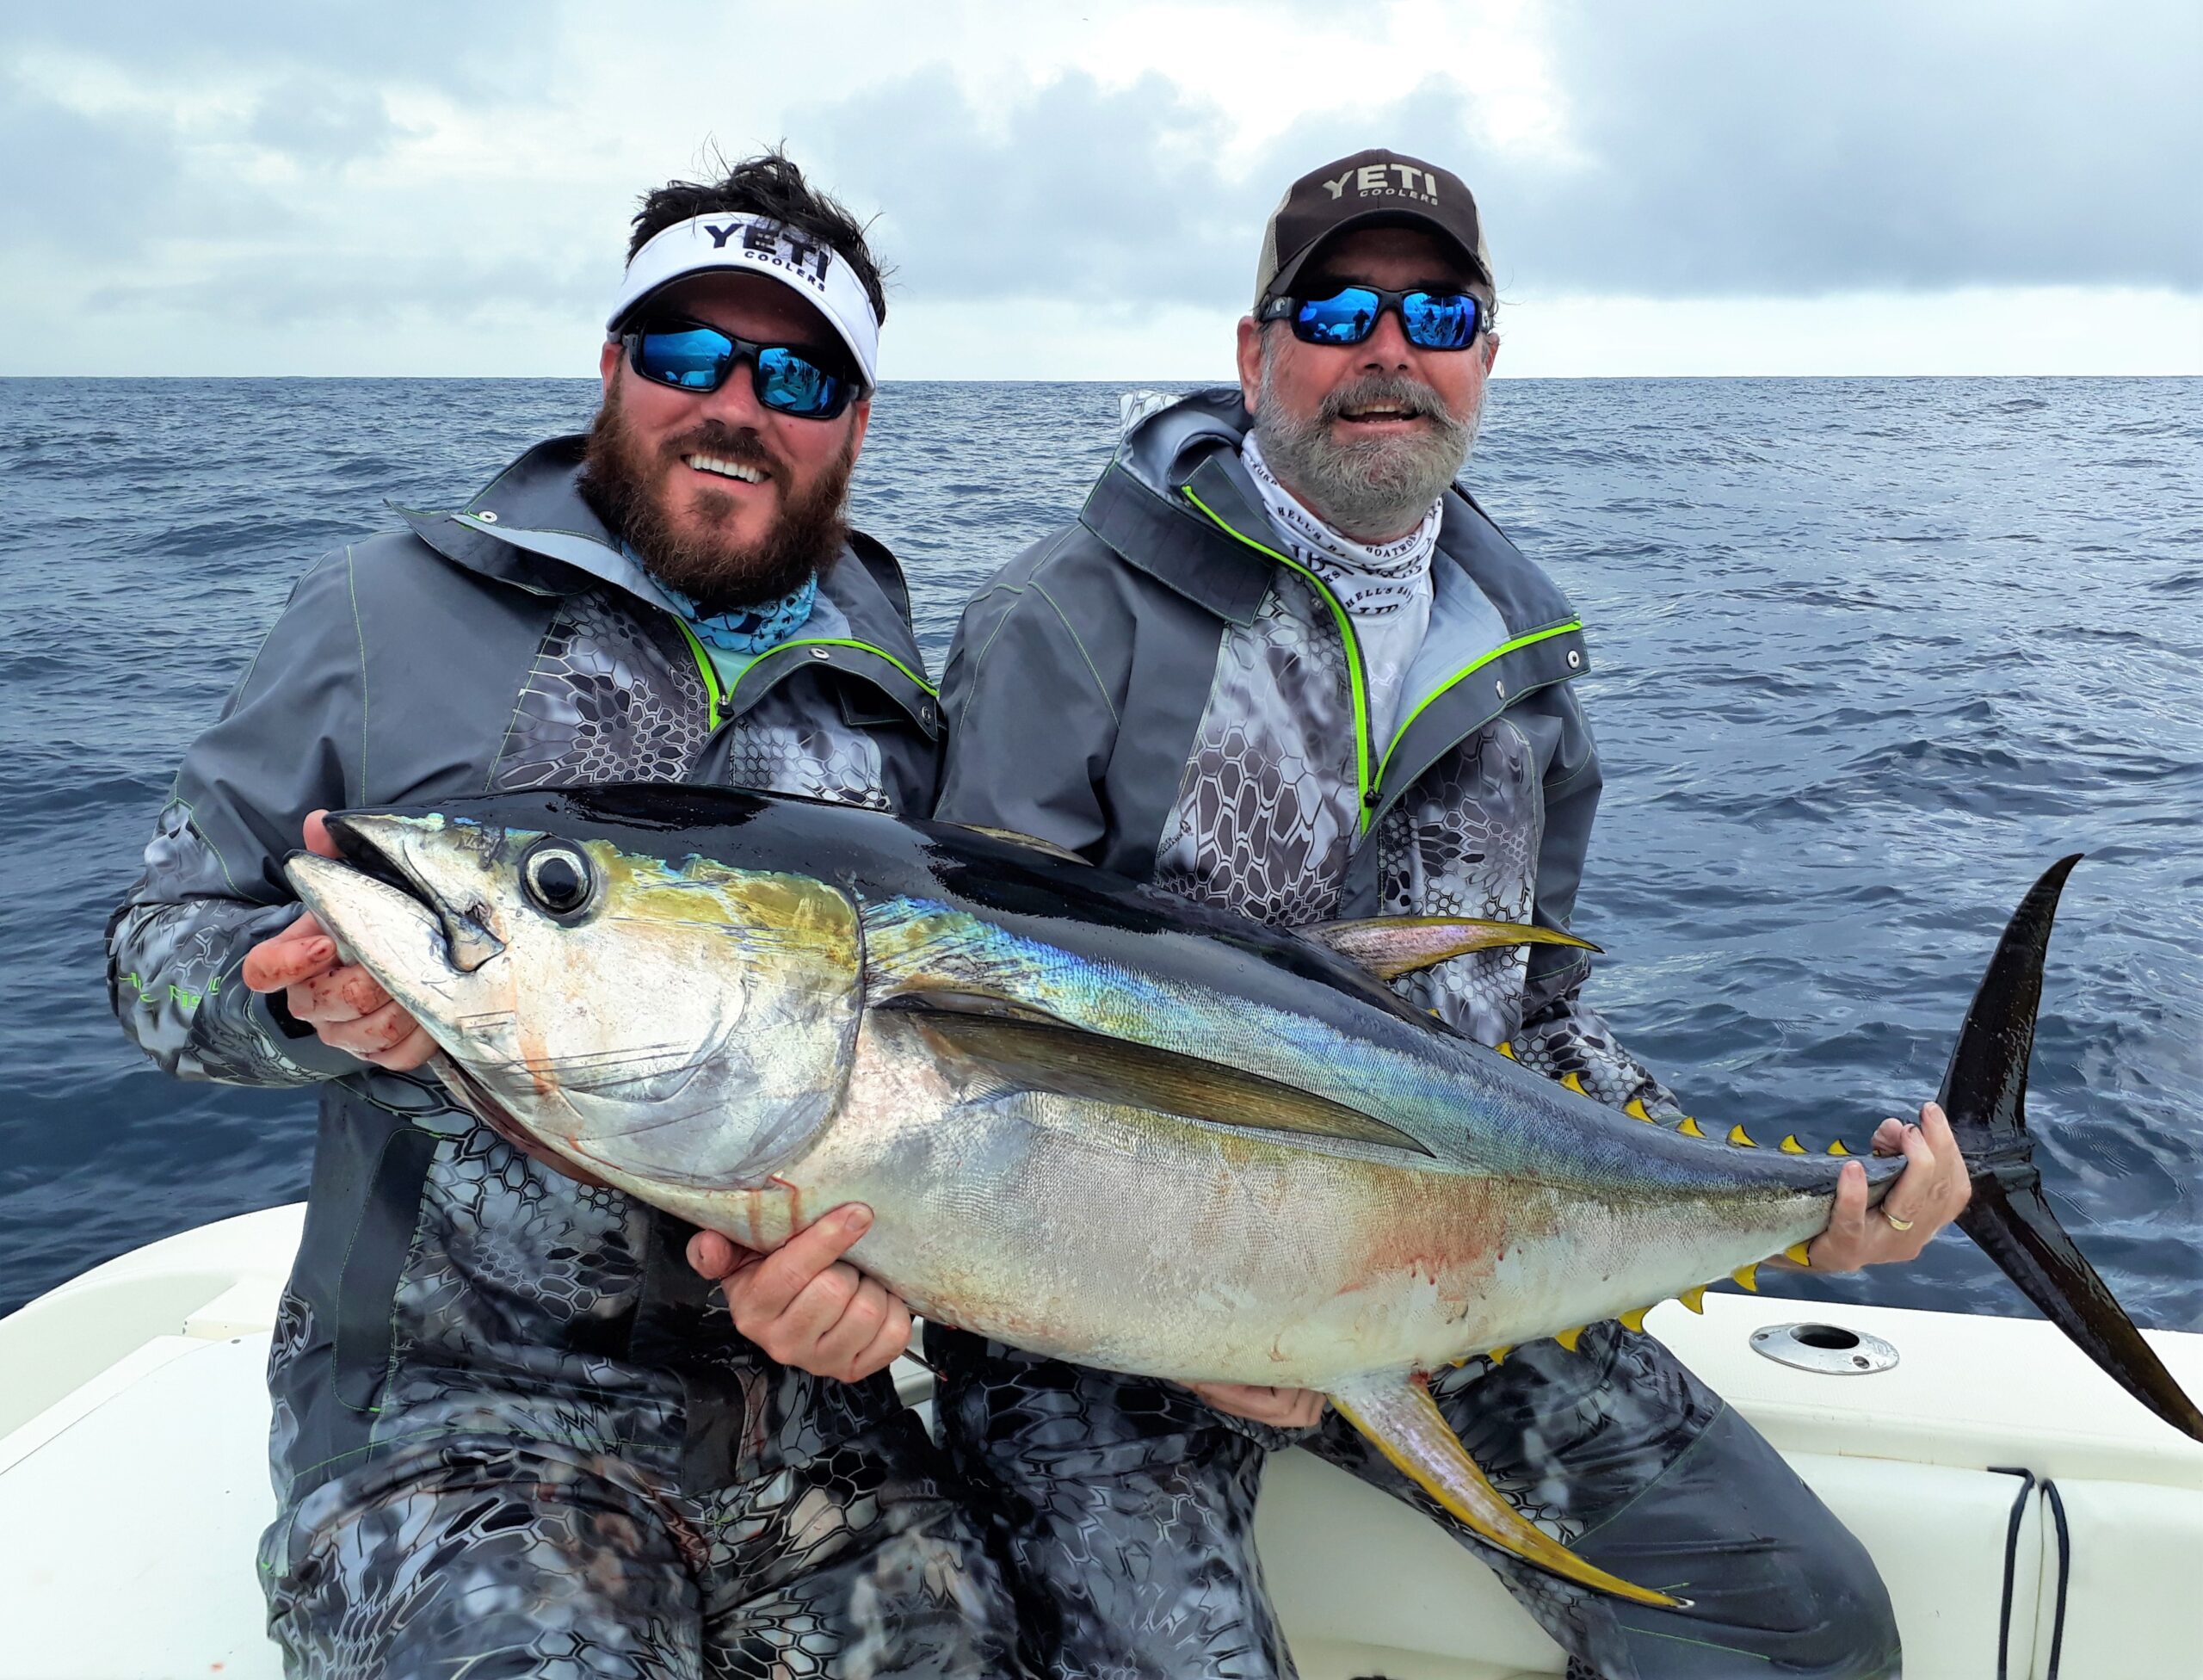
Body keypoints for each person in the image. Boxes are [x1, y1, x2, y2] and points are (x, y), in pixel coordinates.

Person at [918, 149, 1971, 1679]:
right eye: (1339, 310)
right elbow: (970, 1051)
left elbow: (1539, 1026)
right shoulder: (1068, 622)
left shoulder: (1519, 672)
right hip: (1099, 1322)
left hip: (1441, 1278)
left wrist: (1812, 1211)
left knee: (1802, 1622)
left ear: (1486, 355)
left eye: (1439, 312)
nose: (1389, 350)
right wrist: (1209, 1329)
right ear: (1254, 352)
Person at [107, 151, 1017, 1679]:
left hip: (813, 1449)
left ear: (854, 425)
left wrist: (885, 1298)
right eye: (686, 352)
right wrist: (289, 1002)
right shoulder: (384, 611)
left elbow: (933, 1110)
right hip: (453, 1429)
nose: (734, 404)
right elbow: (155, 942)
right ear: (611, 368)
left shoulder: (902, 710)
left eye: (796, 375)